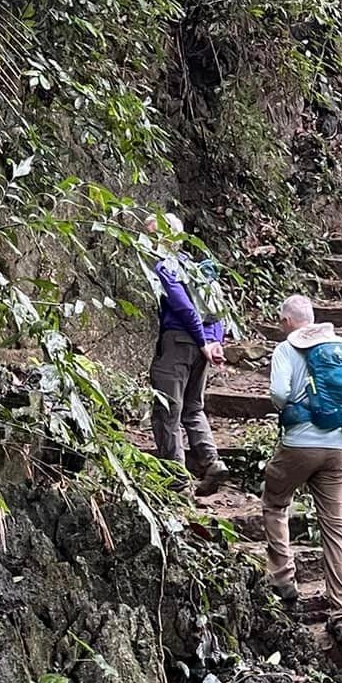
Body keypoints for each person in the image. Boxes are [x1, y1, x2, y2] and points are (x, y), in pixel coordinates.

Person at [265, 293, 342, 627]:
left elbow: (279, 393)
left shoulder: (287, 349)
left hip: (298, 445)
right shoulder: (339, 350)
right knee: (335, 528)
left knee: (275, 503)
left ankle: (284, 579)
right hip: (337, 449)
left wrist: (303, 409)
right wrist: (334, 411)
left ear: (287, 321)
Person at [145, 212, 229, 497]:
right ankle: (211, 461)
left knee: (167, 409)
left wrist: (204, 342)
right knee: (193, 407)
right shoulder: (193, 268)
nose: (149, 240)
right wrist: (213, 342)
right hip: (200, 345)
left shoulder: (166, 267)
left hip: (179, 343)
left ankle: (176, 479)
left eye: (153, 234)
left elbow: (183, 307)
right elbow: (217, 310)